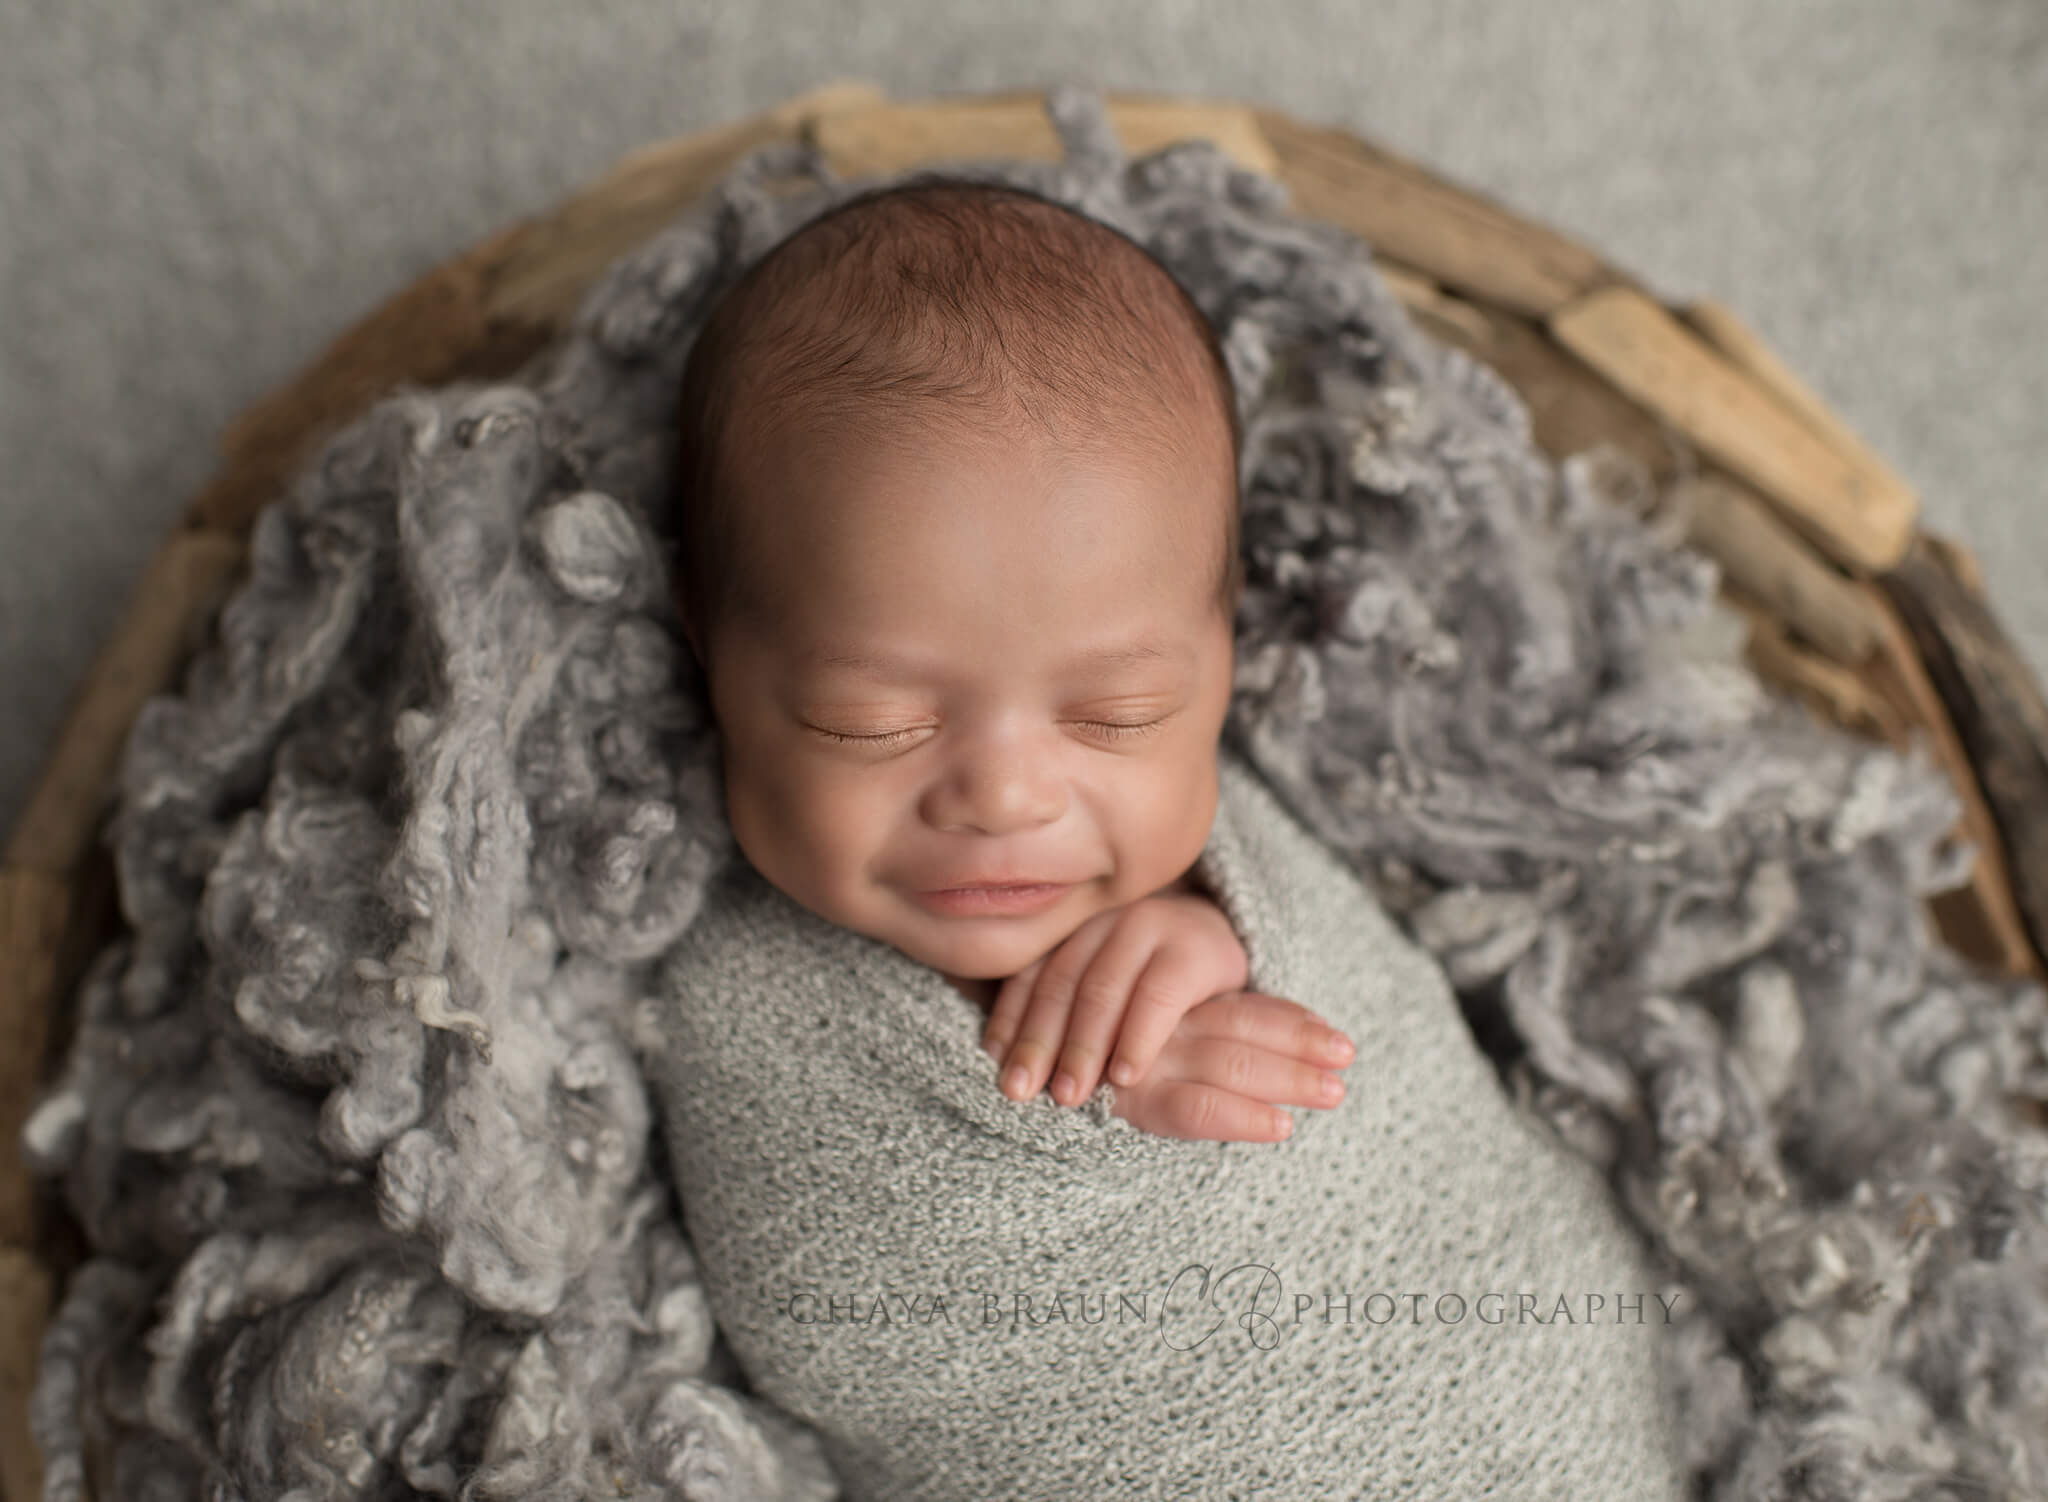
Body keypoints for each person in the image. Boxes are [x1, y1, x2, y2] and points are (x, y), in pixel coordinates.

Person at [646, 174, 1691, 1499]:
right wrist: (1077, 1106)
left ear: (1226, 644)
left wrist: (1218, 937)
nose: (1008, 795)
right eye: (872, 719)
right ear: (707, 633)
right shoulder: (734, 981)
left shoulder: (1238, 851)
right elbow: (816, 1288)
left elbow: (1385, 1069)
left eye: (1119, 710)